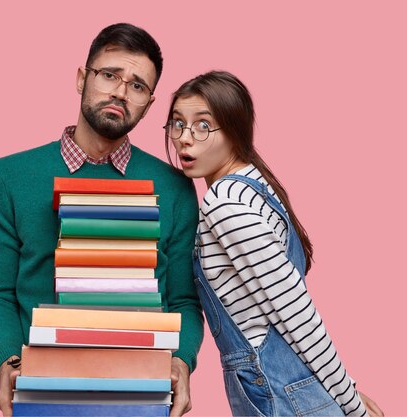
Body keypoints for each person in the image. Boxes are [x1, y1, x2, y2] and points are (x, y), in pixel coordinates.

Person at [0, 23, 204, 417]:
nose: (120, 91)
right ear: (83, 78)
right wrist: (10, 363)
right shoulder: (8, 177)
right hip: (44, 388)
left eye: (137, 86)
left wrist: (181, 362)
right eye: (110, 75)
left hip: (143, 392)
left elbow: (184, 300)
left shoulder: (175, 188)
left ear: (149, 105)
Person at [164, 71, 384, 417]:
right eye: (177, 124)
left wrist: (352, 404)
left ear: (234, 130)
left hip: (282, 395)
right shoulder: (255, 184)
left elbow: (297, 313)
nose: (184, 139)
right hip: (299, 389)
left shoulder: (224, 203)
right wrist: (348, 390)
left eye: (203, 125)